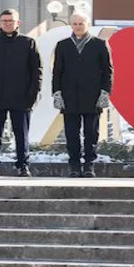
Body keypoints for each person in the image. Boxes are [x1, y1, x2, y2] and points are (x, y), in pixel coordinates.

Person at [0, 9, 41, 177]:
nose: (7, 24)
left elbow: (36, 71)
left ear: (18, 23)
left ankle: (23, 165)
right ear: (0, 23)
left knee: (21, 134)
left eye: (11, 21)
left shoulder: (28, 43)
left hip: (22, 97)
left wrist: (32, 95)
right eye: (4, 21)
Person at [51, 13, 113, 177]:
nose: (78, 27)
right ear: (71, 25)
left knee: (91, 134)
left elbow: (107, 71)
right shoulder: (63, 45)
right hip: (69, 97)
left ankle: (89, 166)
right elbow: (57, 71)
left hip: (92, 97)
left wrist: (105, 92)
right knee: (71, 134)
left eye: (81, 23)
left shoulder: (99, 44)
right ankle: (74, 166)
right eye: (75, 24)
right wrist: (57, 92)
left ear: (88, 24)